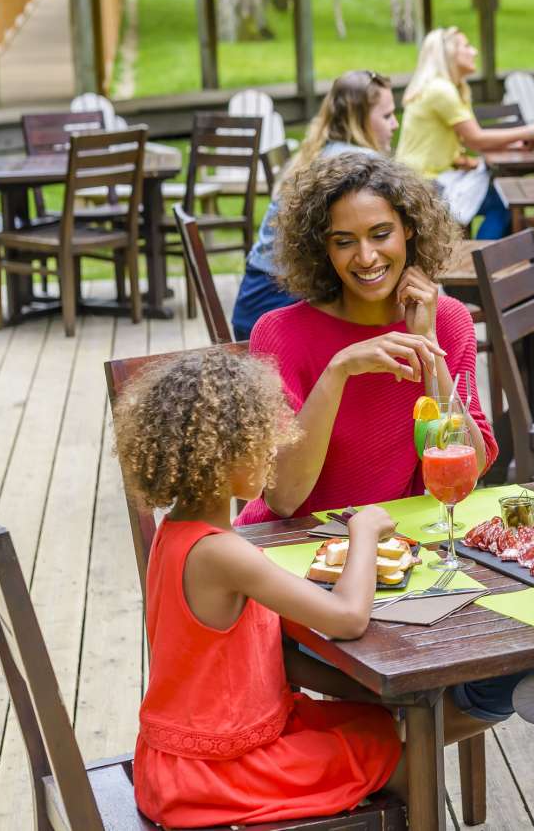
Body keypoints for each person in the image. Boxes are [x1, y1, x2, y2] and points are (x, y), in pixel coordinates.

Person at [116, 346, 405, 827]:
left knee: (375, 723)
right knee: (394, 753)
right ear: (218, 456)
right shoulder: (223, 554)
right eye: (259, 439)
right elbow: (349, 618)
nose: (273, 450)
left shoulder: (175, 534)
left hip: (184, 761)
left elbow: (265, 658)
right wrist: (364, 530)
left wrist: (378, 695)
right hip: (213, 776)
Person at [236, 153, 497, 526]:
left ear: (409, 228)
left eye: (380, 234)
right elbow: (284, 499)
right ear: (323, 247)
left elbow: (469, 471)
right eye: (344, 241)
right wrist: (338, 371)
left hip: (393, 541)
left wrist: (426, 342)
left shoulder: (447, 321)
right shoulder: (280, 333)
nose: (366, 256)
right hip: (290, 542)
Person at [230, 70, 400, 341]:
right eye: (387, 115)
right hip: (275, 312)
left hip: (252, 302)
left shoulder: (321, 151)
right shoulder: (359, 166)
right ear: (359, 118)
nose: (395, 124)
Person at [398, 26, 534, 239]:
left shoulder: (445, 88)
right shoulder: (441, 90)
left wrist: (512, 144)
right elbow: (476, 139)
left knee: (499, 197)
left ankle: (481, 251)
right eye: (466, 46)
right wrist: (529, 131)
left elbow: (465, 140)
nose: (474, 51)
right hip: (425, 184)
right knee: (504, 201)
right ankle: (482, 254)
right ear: (450, 53)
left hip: (421, 179)